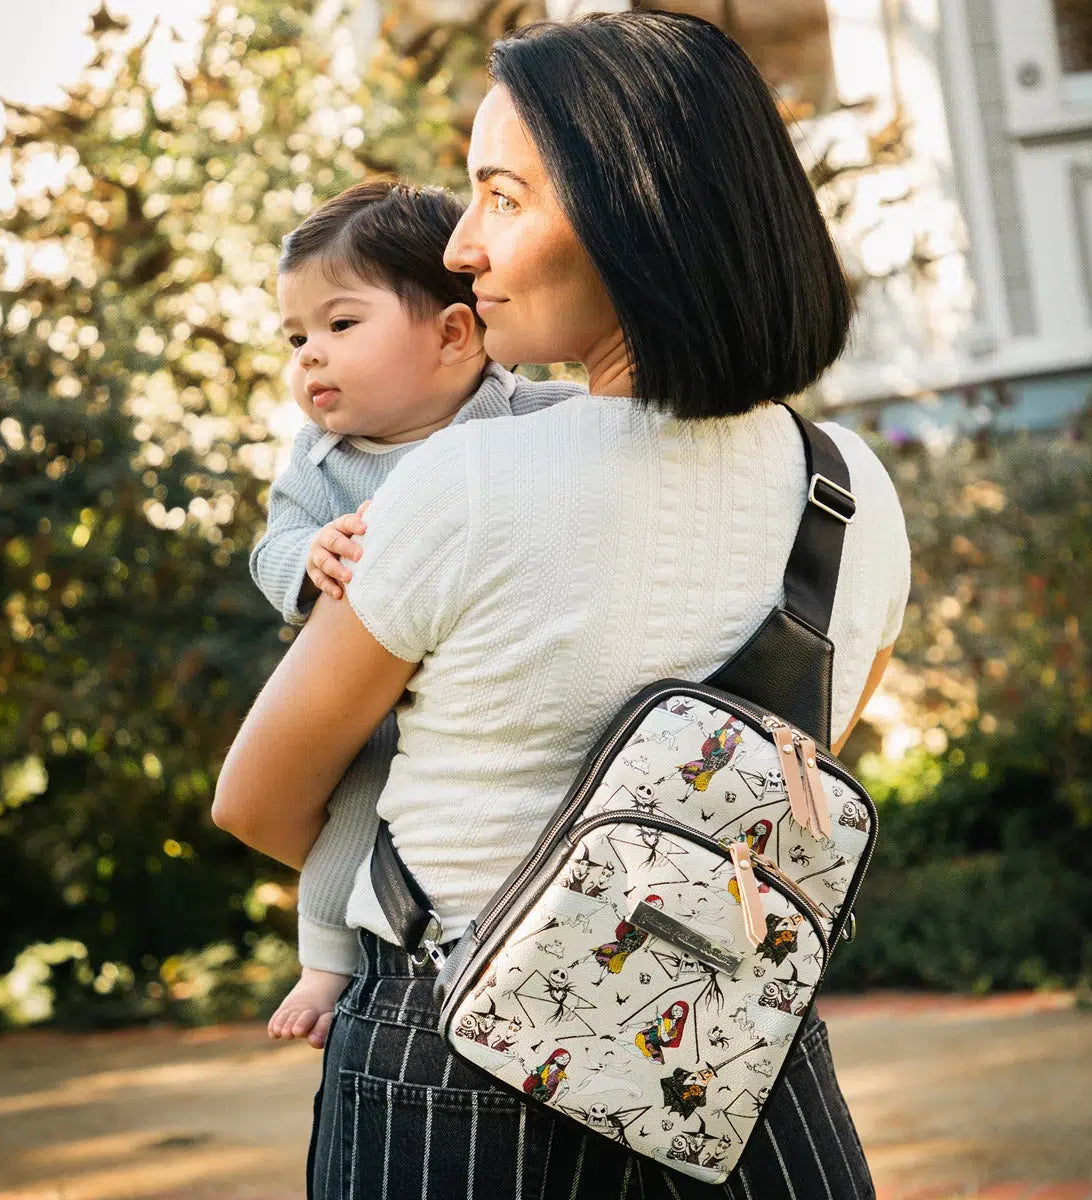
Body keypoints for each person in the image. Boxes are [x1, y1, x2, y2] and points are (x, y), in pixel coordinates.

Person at [213, 11, 910, 1198]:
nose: (464, 253)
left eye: (503, 198)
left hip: (455, 1078)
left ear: (633, 215)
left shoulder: (462, 483)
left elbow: (259, 798)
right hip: (735, 1073)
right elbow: (777, 779)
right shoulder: (848, 486)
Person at [249, 180, 582, 1049]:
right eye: (296, 337)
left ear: (452, 332)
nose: (309, 356)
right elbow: (274, 540)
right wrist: (307, 556)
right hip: (375, 705)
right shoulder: (323, 459)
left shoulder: (533, 415)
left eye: (340, 324)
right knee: (358, 804)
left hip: (497, 693)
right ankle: (326, 956)